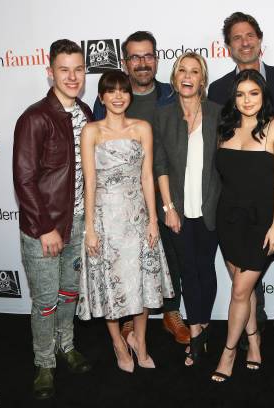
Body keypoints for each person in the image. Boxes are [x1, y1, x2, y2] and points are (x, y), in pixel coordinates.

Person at [208, 11, 274, 352]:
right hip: (236, 206)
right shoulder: (218, 90)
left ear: (260, 40)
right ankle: (256, 323)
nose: (245, 41)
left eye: (250, 35)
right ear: (229, 47)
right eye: (237, 37)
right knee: (245, 277)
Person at [92, 31, 186, 346]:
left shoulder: (171, 94)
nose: (142, 63)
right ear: (125, 61)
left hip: (171, 191)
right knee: (129, 260)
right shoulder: (109, 97)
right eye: (135, 57)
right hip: (124, 198)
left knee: (170, 256)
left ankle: (172, 312)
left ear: (156, 59)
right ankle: (133, 319)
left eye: (147, 56)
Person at [77, 70, 174, 373]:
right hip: (106, 219)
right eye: (111, 91)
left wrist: (153, 220)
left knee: (142, 284)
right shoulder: (91, 131)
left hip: (137, 218)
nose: (118, 96)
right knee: (110, 286)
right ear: (102, 97)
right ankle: (119, 344)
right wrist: (90, 228)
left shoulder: (142, 127)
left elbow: (147, 177)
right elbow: (89, 182)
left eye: (124, 90)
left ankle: (140, 342)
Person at [13, 39, 93, 400]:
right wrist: (45, 227)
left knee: (69, 294)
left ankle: (66, 346)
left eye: (78, 69)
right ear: (50, 73)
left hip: (77, 224)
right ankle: (44, 363)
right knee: (45, 300)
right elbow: (24, 179)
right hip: (43, 229)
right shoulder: (35, 118)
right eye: (64, 69)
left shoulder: (86, 112)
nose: (72, 76)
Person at [211, 69, 274, 382]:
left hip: (261, 222)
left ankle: (229, 352)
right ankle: (255, 341)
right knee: (243, 291)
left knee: (240, 291)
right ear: (234, 98)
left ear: (263, 96)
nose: (247, 100)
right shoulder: (226, 128)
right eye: (241, 94)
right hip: (228, 219)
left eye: (254, 93)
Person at [153, 52, 222, 366]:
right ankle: (196, 331)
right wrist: (168, 207)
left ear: (202, 80)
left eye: (195, 71)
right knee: (188, 273)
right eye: (182, 70)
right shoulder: (163, 116)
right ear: (175, 77)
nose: (188, 76)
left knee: (206, 270)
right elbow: (160, 165)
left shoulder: (219, 113)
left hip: (211, 209)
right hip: (178, 210)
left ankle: (202, 327)